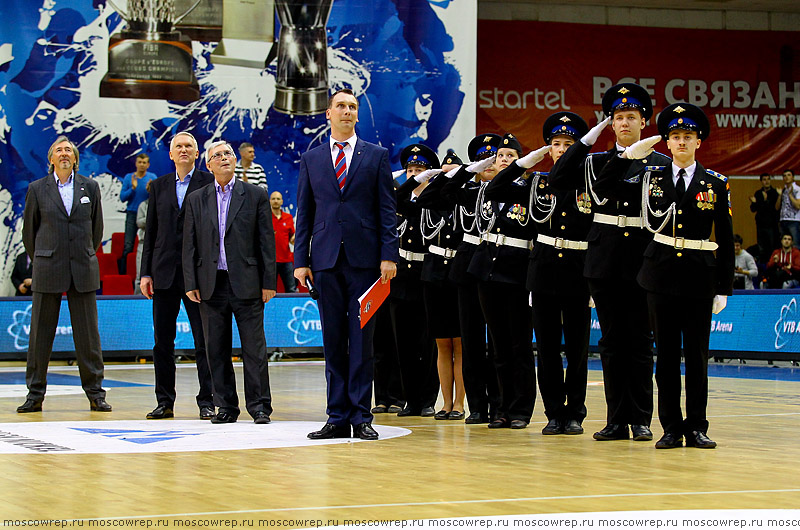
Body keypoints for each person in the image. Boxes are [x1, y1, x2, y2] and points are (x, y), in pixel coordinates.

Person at [549, 83, 671, 442]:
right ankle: (616, 419)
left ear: (644, 121)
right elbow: (557, 180)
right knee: (612, 342)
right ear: (610, 123)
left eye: (631, 117)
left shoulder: (659, 161)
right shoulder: (596, 161)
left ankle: (642, 418)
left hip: (643, 258)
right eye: (617, 118)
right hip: (604, 258)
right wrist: (587, 139)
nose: (624, 123)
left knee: (640, 340)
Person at [626, 102, 733, 449]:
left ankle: (697, 426)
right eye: (675, 137)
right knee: (667, 356)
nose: (682, 143)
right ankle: (671, 426)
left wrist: (724, 288)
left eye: (688, 137)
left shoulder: (715, 183)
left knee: (698, 356)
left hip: (699, 277)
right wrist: (630, 156)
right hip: (660, 275)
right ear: (667, 143)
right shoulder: (650, 177)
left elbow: (726, 238)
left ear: (698, 142)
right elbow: (614, 186)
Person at [294, 88, 398, 441]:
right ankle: (337, 416)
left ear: (357, 114)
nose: (347, 111)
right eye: (341, 106)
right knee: (334, 342)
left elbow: (387, 209)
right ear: (328, 113)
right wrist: (300, 261)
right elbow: (304, 213)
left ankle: (361, 416)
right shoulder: (312, 158)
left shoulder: (377, 156)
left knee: (362, 342)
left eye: (353, 107)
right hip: (324, 261)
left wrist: (389, 255)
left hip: (365, 262)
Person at [487, 112, 592, 435]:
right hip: (544, 270)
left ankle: (574, 412)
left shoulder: (590, 184)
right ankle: (553, 413)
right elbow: (495, 190)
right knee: (546, 349)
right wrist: (522, 164)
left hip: (578, 270)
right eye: (555, 144)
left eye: (568, 144)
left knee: (576, 349)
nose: (561, 149)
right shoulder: (537, 182)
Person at [183, 140, 277, 424]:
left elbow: (266, 241)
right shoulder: (196, 198)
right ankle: (225, 406)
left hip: (247, 282)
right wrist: (190, 281)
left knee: (254, 349)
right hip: (211, 283)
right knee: (216, 349)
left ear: (234, 161)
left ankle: (259, 406)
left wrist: (268, 281)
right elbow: (189, 244)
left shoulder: (255, 194)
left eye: (228, 154)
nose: (223, 158)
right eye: (217, 155)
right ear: (208, 164)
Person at [17, 136, 110, 413]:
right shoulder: (37, 189)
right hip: (48, 268)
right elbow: (29, 233)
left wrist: (81, 253)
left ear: (75, 158)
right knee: (40, 337)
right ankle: (35, 395)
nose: (64, 153)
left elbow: (97, 231)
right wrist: (45, 256)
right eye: (59, 150)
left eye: (68, 149)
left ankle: (95, 393)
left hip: (82, 268)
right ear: (51, 159)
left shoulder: (90, 187)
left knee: (89, 337)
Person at [140, 131, 215, 420]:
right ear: (170, 154)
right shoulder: (157, 186)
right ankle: (164, 401)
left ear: (197, 154)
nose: (183, 150)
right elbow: (151, 234)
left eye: (189, 147)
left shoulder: (208, 183)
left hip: (198, 276)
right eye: (178, 147)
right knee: (162, 343)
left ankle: (207, 400)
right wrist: (146, 272)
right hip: (164, 274)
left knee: (204, 341)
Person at [468, 133, 538, 430]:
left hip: (517, 272)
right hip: (487, 270)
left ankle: (520, 409)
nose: (505, 160)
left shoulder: (530, 190)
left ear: (521, 162)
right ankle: (499, 408)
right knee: (497, 345)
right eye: (500, 156)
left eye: (511, 155)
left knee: (518, 344)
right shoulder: (487, 191)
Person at [436, 139, 502, 424]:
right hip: (466, 268)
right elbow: (437, 196)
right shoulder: (467, 192)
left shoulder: (514, 191)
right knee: (472, 341)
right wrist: (465, 171)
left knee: (499, 341)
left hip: (499, 267)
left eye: (493, 159)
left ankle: (501, 405)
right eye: (481, 161)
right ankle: (477, 405)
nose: (488, 165)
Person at [392, 144, 441, 418]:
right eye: (410, 171)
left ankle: (427, 399)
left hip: (426, 275)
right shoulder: (400, 201)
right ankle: (409, 399)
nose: (414, 176)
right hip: (402, 277)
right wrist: (408, 183)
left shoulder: (435, 201)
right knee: (405, 344)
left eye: (420, 171)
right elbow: (395, 200)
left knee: (427, 343)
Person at [119, 154, 156, 273]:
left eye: (144, 162)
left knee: (149, 244)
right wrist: (132, 189)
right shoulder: (129, 177)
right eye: (140, 162)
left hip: (146, 215)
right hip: (132, 214)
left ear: (148, 165)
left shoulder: (152, 178)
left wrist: (150, 191)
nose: (142, 164)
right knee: (128, 245)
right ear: (136, 163)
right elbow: (122, 197)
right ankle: (124, 275)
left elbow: (157, 197)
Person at [270, 191, 297, 293]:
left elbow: (292, 239)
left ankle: (292, 309)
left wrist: (295, 238)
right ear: (269, 201)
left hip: (286, 259)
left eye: (278, 199)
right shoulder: (265, 217)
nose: (276, 201)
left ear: (282, 201)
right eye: (273, 199)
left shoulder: (288, 217)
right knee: (270, 290)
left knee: (291, 289)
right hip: (270, 261)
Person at [749, 173, 780, 262]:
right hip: (760, 224)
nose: (767, 181)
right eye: (764, 179)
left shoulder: (775, 193)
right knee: (761, 247)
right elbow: (753, 209)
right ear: (761, 181)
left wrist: (765, 201)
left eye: (768, 179)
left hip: (772, 225)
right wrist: (755, 202)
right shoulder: (758, 193)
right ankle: (763, 266)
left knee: (772, 246)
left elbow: (775, 209)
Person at [134, 180, 152, 295]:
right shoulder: (143, 205)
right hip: (143, 244)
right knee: (140, 275)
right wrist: (152, 218)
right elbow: (139, 222)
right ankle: (137, 301)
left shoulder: (164, 205)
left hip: (158, 246)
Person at [778, 169, 800, 249]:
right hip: (783, 220)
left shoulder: (797, 189)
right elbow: (777, 207)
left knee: (795, 244)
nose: (786, 177)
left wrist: (790, 195)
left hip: (794, 221)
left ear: (793, 177)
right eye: (784, 176)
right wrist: (780, 195)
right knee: (783, 245)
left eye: (789, 175)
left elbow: (798, 206)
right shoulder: (783, 190)